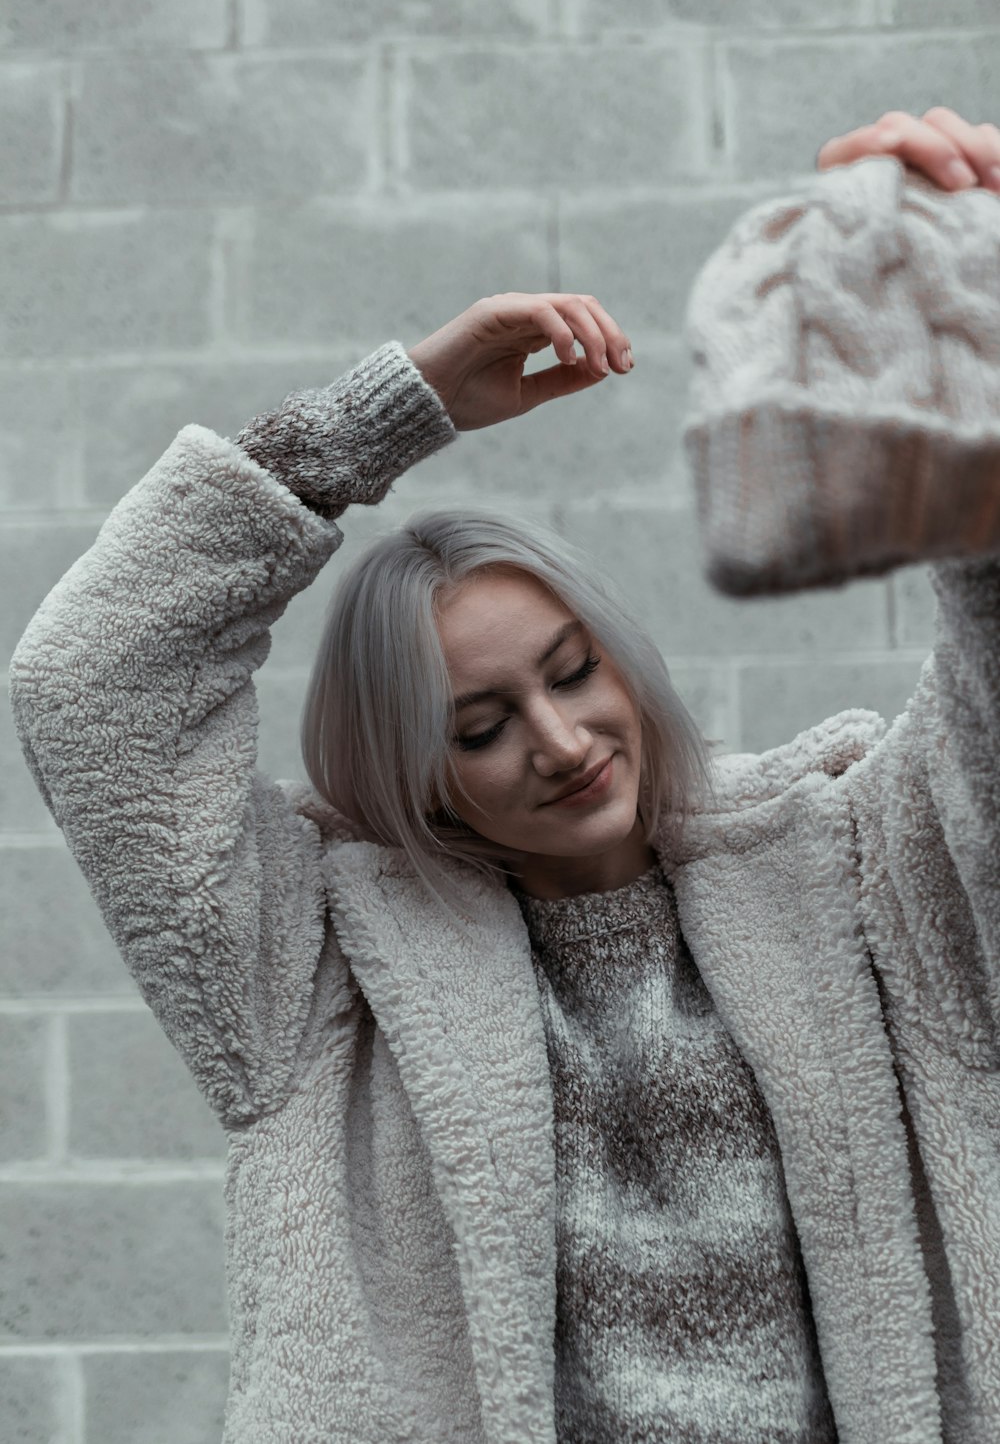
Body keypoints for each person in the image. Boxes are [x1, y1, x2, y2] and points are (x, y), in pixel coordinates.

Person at [8, 107, 1000, 1444]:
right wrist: (377, 420)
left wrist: (959, 310)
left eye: (572, 669)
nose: (560, 738)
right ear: (416, 781)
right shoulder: (315, 980)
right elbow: (90, 689)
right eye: (479, 727)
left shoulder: (867, 868)